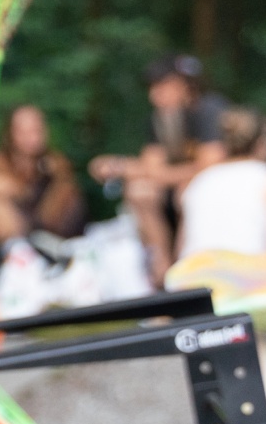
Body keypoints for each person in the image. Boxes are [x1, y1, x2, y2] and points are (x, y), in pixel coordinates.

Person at [89, 56, 227, 279]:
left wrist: (133, 168)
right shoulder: (160, 119)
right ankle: (161, 269)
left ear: (185, 85)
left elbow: (211, 166)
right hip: (176, 188)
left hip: (217, 189)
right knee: (139, 191)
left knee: (187, 192)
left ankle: (188, 266)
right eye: (152, 88)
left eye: (162, 86)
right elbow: (151, 166)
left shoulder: (209, 110)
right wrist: (120, 167)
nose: (154, 95)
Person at [175, 106, 266, 260]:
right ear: (262, 144)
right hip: (246, 272)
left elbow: (181, 248)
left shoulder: (199, 181)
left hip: (192, 272)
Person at [0, 104, 86, 246]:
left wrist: (59, 178)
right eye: (22, 131)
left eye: (36, 130)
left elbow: (51, 217)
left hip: (49, 235)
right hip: (15, 230)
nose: (31, 137)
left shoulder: (56, 164)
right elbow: (14, 188)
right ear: (9, 133)